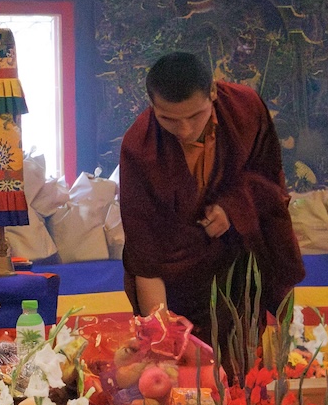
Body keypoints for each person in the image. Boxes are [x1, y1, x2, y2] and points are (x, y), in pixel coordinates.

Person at [119, 52, 304, 356]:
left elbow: (269, 181)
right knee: (179, 367)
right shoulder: (139, 147)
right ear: (152, 106)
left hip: (237, 266)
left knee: (241, 364)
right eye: (168, 119)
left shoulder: (245, 109)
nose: (185, 130)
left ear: (213, 92)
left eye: (195, 116)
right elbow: (145, 254)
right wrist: (163, 336)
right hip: (178, 281)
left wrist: (234, 207)